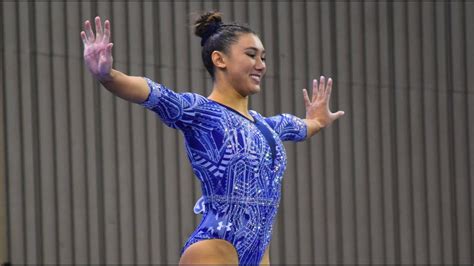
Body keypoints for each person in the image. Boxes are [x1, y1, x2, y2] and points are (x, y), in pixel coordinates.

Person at [81, 11, 344, 265]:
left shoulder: (267, 127)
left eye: (263, 57)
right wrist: (109, 76)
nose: (261, 65)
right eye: (251, 55)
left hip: (258, 254)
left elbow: (300, 126)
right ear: (220, 59)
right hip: (215, 249)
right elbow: (154, 93)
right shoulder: (201, 113)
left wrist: (318, 120)